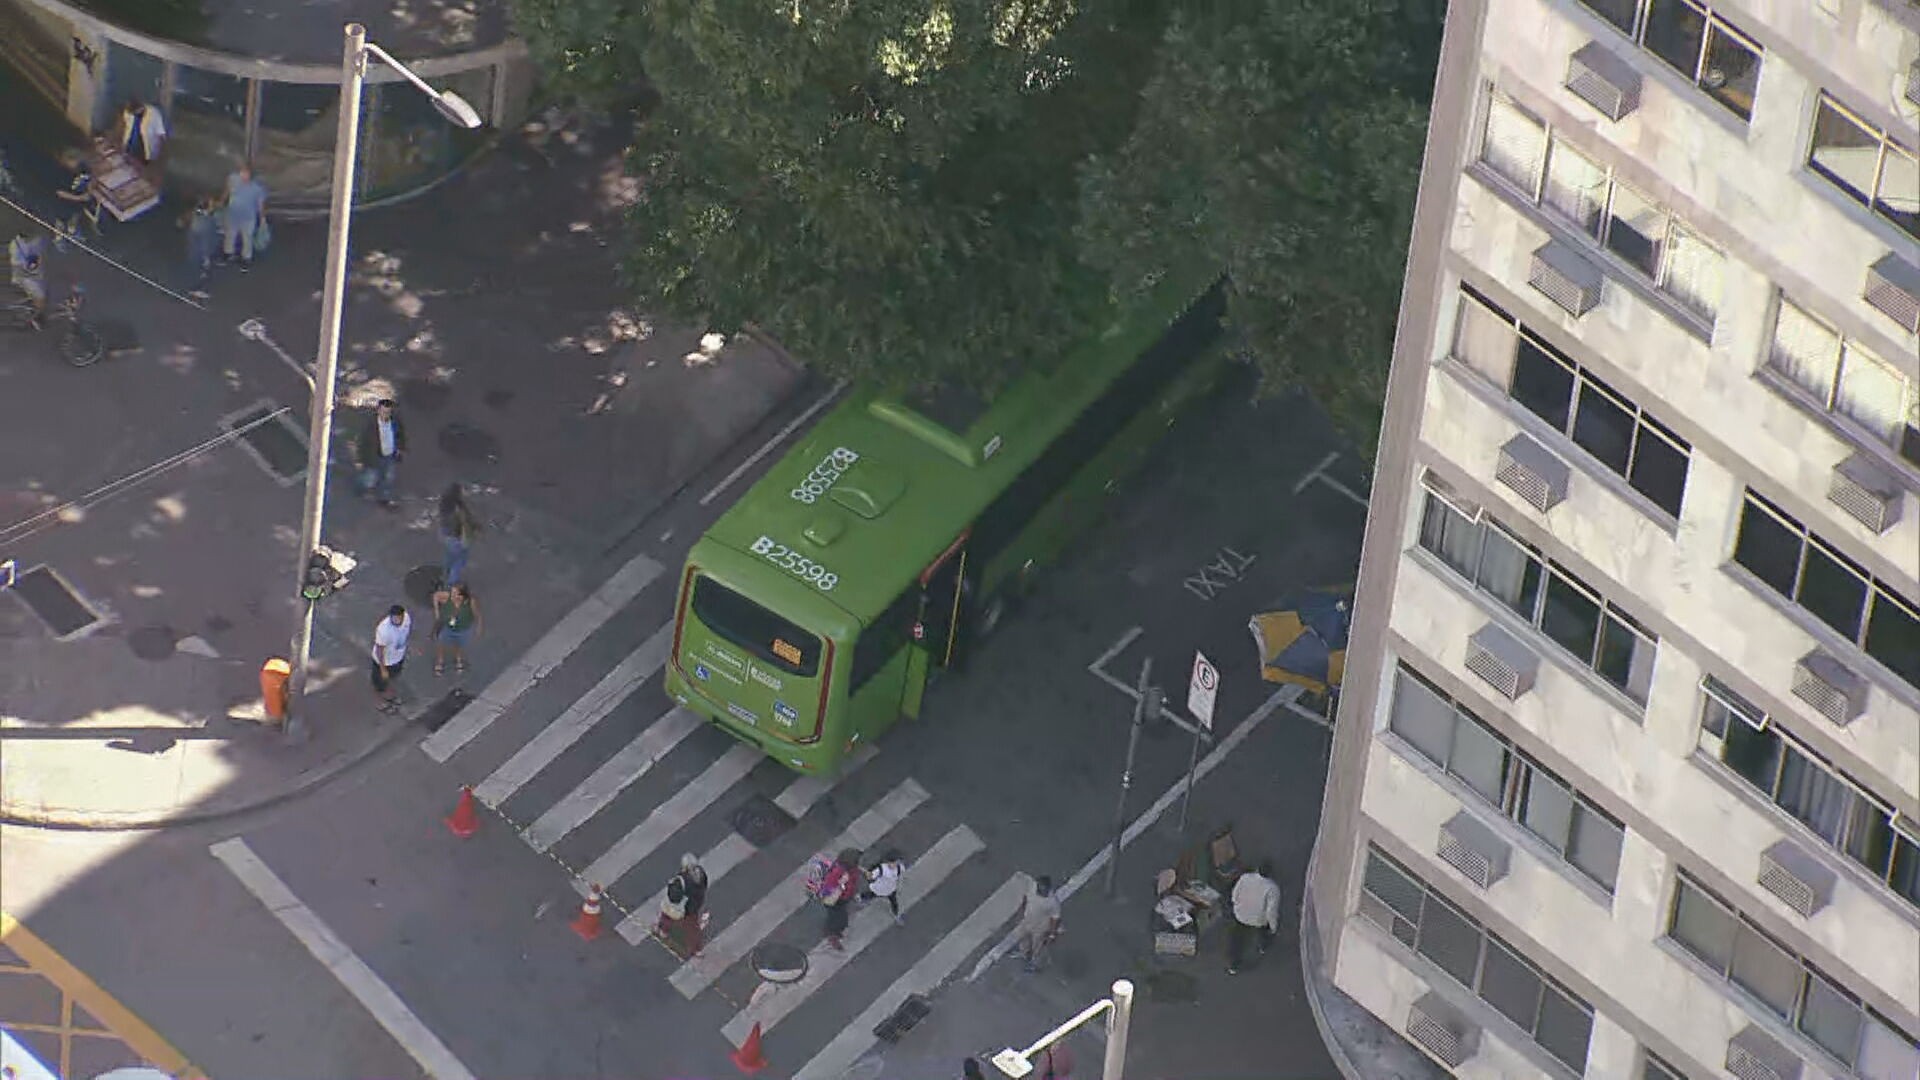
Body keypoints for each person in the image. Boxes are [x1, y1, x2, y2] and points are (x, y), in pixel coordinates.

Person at [1226, 860, 1281, 975]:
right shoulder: (1272, 888)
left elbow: (1234, 895)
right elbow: (1271, 911)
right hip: (1258, 920)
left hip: (1240, 915)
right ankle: (1262, 946)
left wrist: (1237, 906)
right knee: (1264, 931)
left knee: (1237, 941)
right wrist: (1273, 927)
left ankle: (1233, 965)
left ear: (1257, 869)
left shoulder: (1245, 878)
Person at [354, 399, 406, 507]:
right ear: (378, 411)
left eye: (388, 412)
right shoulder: (371, 426)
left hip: (389, 456)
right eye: (383, 411)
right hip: (374, 457)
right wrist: (359, 459)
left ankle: (384, 498)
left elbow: (400, 436)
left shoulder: (395, 422)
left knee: (387, 478)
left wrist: (400, 449)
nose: (385, 414)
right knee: (369, 478)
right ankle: (360, 490)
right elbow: (362, 442)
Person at [657, 854, 709, 957]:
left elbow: (674, 897)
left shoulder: (682, 879)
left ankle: (663, 931)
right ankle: (696, 950)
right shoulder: (702, 874)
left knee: (667, 916)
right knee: (693, 929)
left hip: (683, 908)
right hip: (694, 907)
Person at [221, 165, 268, 268]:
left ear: (250, 175)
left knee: (247, 238)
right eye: (242, 172)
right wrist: (221, 202)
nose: (243, 175)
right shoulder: (233, 179)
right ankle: (228, 254)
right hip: (232, 216)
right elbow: (227, 191)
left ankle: (246, 259)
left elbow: (261, 205)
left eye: (246, 173)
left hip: (248, 218)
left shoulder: (257, 188)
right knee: (229, 236)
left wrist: (262, 218)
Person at [432, 582, 481, 676]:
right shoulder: (448, 597)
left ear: (461, 595)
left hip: (463, 629)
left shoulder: (470, 602)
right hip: (448, 628)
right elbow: (436, 596)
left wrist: (479, 626)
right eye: (452, 592)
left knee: (459, 645)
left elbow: (477, 614)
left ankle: (458, 659)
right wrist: (437, 612)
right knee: (441, 643)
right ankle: (440, 661)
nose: (452, 594)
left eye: (455, 593)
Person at [370, 604, 412, 714]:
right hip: (383, 661)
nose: (397, 620)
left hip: (397, 658)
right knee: (379, 683)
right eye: (394, 618)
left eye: (399, 618)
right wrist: (383, 669)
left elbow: (406, 634)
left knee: (393, 677)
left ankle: (389, 694)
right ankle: (379, 701)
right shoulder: (384, 630)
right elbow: (379, 650)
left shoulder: (407, 619)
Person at [1015, 875, 1062, 972]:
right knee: (1022, 937)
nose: (1040, 890)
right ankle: (1023, 953)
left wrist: (1052, 934)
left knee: (1037, 946)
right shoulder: (1033, 887)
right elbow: (1026, 898)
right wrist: (1021, 912)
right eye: (1039, 887)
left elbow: (1055, 918)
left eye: (1043, 888)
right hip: (1027, 920)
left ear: (1048, 888)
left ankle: (1033, 963)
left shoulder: (1052, 901)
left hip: (1040, 926)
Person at [820, 848, 861, 951]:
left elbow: (853, 881)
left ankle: (834, 932)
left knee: (841, 919)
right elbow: (828, 889)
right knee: (838, 919)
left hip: (845, 897)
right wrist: (842, 883)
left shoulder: (852, 870)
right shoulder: (838, 873)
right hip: (836, 901)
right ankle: (832, 936)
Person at [438, 484, 479, 585]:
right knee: (461, 559)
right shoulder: (458, 506)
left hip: (445, 532)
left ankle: (444, 575)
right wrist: (474, 527)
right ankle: (452, 582)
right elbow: (465, 519)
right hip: (456, 534)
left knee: (450, 555)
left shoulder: (444, 502)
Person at [53, 152, 98, 243]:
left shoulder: (83, 167)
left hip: (80, 203)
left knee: (76, 219)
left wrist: (90, 190)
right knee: (62, 222)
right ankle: (60, 241)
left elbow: (91, 179)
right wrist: (79, 198)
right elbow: (59, 192)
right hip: (63, 204)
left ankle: (76, 235)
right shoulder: (61, 174)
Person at [9, 232, 48, 329]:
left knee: (38, 293)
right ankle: (35, 318)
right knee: (40, 297)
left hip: (24, 274)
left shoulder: (15, 244)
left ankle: (34, 310)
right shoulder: (29, 244)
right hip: (25, 275)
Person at [183, 195, 220, 294]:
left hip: (194, 249)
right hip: (199, 252)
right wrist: (206, 258)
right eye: (212, 205)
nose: (214, 206)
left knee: (196, 268)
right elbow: (205, 243)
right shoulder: (204, 224)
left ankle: (195, 284)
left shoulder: (198, 217)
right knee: (201, 271)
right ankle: (196, 288)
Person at [861, 850, 907, 924]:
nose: (893, 864)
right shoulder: (882, 868)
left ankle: (896, 914)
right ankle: (861, 898)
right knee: (869, 895)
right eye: (891, 862)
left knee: (894, 903)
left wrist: (899, 886)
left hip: (891, 889)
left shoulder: (900, 868)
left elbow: (900, 877)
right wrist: (869, 875)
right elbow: (871, 877)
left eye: (895, 862)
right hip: (878, 889)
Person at [119, 97, 167, 164]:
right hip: (129, 148)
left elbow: (161, 134)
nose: (132, 115)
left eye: (134, 112)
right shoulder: (128, 112)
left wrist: (157, 152)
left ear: (140, 108)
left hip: (145, 152)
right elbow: (125, 126)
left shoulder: (154, 114)